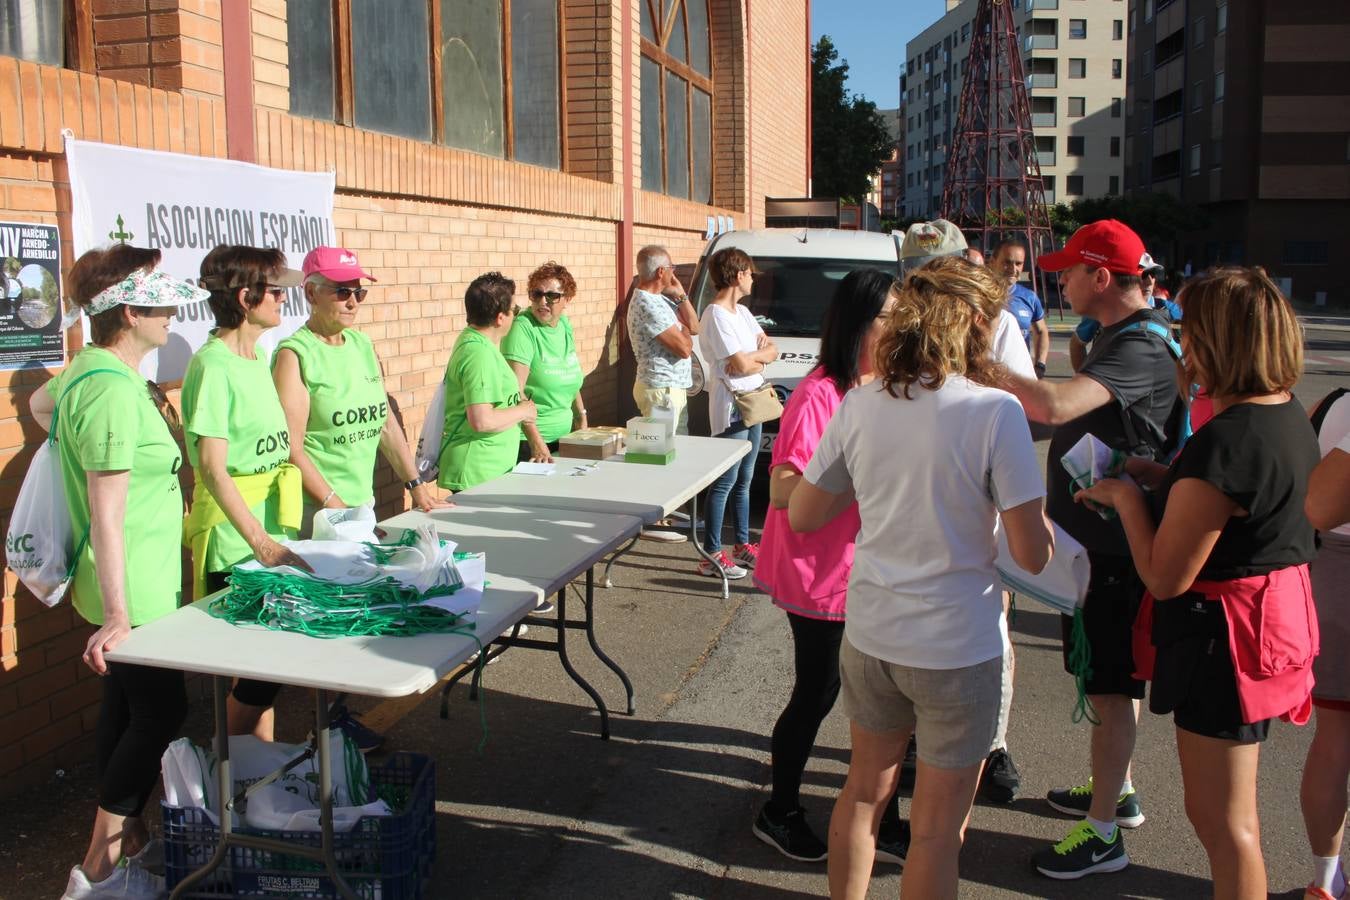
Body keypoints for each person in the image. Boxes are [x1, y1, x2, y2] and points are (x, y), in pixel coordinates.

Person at [791, 256, 1053, 900]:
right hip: (958, 646)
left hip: (874, 632)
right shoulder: (995, 412)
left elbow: (804, 512)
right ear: (973, 323)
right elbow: (1034, 552)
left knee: (861, 793)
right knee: (937, 831)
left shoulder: (861, 400)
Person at [1074, 267, 1318, 899]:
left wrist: (1127, 501)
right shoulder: (1284, 413)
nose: (1181, 343)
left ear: (1220, 341)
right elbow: (1231, 506)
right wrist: (1161, 476)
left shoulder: (1228, 440)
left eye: (1189, 329)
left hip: (1223, 646)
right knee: (1226, 818)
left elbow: (1163, 576)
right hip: (1265, 630)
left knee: (1223, 823)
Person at [998, 220, 1186, 879]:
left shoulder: (1136, 347)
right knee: (1110, 683)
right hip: (1100, 545)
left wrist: (981, 362)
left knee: (1109, 686)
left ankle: (1104, 831)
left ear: (1102, 277)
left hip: (1113, 553)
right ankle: (1117, 786)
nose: (1060, 280)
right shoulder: (1114, 337)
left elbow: (1051, 405)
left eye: (1071, 271)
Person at [37, 246, 200, 899]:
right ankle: (98, 872)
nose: (171, 315)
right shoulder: (107, 389)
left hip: (129, 589)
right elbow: (107, 516)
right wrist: (118, 616)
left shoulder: (85, 374)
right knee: (162, 711)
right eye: (160, 304)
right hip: (132, 594)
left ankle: (128, 846)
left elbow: (40, 412)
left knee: (125, 709)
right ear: (129, 313)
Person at [751, 268, 909, 865]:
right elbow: (786, 487)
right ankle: (779, 809)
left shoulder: (890, 385)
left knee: (887, 702)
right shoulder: (822, 393)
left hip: (874, 569)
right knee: (818, 692)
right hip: (821, 572)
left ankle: (888, 819)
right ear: (857, 324)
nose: (899, 330)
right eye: (888, 319)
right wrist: (860, 473)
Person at [272, 246, 450, 749]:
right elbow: (291, 446)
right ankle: (322, 731)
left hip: (359, 508)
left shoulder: (360, 344)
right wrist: (334, 504)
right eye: (341, 291)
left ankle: (335, 720)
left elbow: (384, 422)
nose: (353, 301)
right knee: (331, 623)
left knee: (357, 615)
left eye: (359, 291)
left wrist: (416, 485)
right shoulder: (294, 355)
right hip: (320, 516)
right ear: (310, 293)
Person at [899, 219, 1032, 804]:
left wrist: (967, 371)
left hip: (984, 490)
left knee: (992, 628)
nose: (929, 287)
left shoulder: (997, 324)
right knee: (912, 626)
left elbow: (1027, 403)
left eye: (940, 273)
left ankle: (993, 743)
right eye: (919, 276)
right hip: (912, 493)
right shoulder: (896, 322)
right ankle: (911, 738)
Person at [182, 244, 310, 742]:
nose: (283, 299)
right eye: (275, 291)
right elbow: (213, 468)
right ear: (244, 296)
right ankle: (223, 769)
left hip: (269, 530)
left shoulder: (257, 357)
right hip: (238, 543)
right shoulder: (213, 366)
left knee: (265, 670)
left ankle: (260, 778)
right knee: (261, 671)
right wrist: (262, 543)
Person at [696, 247, 778, 579]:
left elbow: (770, 349)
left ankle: (742, 545)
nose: (753, 280)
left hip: (753, 399)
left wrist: (759, 355)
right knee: (725, 482)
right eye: (750, 273)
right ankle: (711, 554)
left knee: (745, 479)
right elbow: (742, 362)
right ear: (739, 274)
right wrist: (757, 356)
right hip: (732, 407)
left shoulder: (742, 314)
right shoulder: (715, 315)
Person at [1301, 391, 1350, 900]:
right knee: (1334, 736)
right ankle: (1328, 881)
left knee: (1334, 735)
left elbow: (1311, 502)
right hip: (1338, 567)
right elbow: (1319, 503)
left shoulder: (1333, 402)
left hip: (1331, 569)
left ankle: (1326, 881)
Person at [436, 271, 537, 492]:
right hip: (476, 473)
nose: (516, 316)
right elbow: (482, 420)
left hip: (488, 471)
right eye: (515, 311)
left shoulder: (482, 345)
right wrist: (524, 411)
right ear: (501, 317)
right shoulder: (478, 353)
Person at [626, 245, 699, 542]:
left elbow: (693, 327)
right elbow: (684, 347)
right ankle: (651, 521)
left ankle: (663, 513)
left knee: (670, 454)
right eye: (672, 268)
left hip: (670, 387)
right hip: (660, 388)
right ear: (660, 271)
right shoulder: (647, 303)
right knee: (654, 456)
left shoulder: (661, 300)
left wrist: (681, 295)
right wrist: (681, 331)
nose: (674, 273)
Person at [503, 261, 586, 463]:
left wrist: (581, 416)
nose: (543, 302)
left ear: (567, 299)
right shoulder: (523, 329)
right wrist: (536, 442)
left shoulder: (564, 325)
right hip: (530, 445)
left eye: (551, 296)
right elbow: (515, 392)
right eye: (536, 294)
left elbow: (568, 373)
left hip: (564, 438)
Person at [1069, 255, 1177, 372]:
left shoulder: (1171, 311)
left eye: (1153, 275)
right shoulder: (1104, 309)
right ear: (1129, 278)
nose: (1149, 281)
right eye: (1143, 275)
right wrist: (1084, 381)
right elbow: (1077, 344)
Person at [990, 238, 1049, 377]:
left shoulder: (1029, 297)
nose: (1013, 269)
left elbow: (1041, 331)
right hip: (987, 376)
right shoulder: (978, 294)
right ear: (993, 261)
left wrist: (1040, 364)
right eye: (1007, 262)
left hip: (1020, 375)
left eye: (1018, 264)